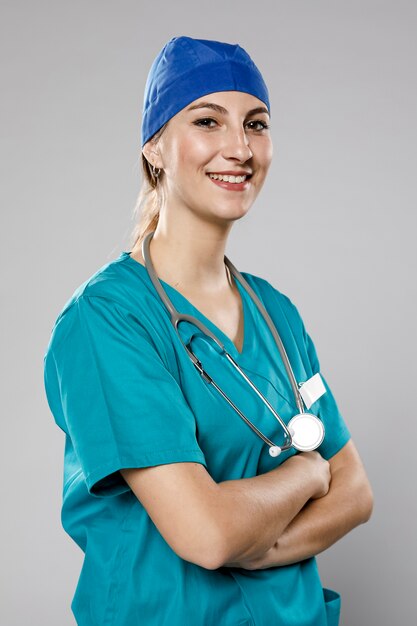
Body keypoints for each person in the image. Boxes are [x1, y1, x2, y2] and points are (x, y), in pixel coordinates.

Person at [43, 35, 373, 626]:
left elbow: (356, 494)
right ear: (155, 149)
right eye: (208, 121)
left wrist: (257, 542)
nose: (239, 148)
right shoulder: (108, 320)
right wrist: (307, 472)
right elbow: (208, 536)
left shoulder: (276, 313)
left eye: (256, 124)